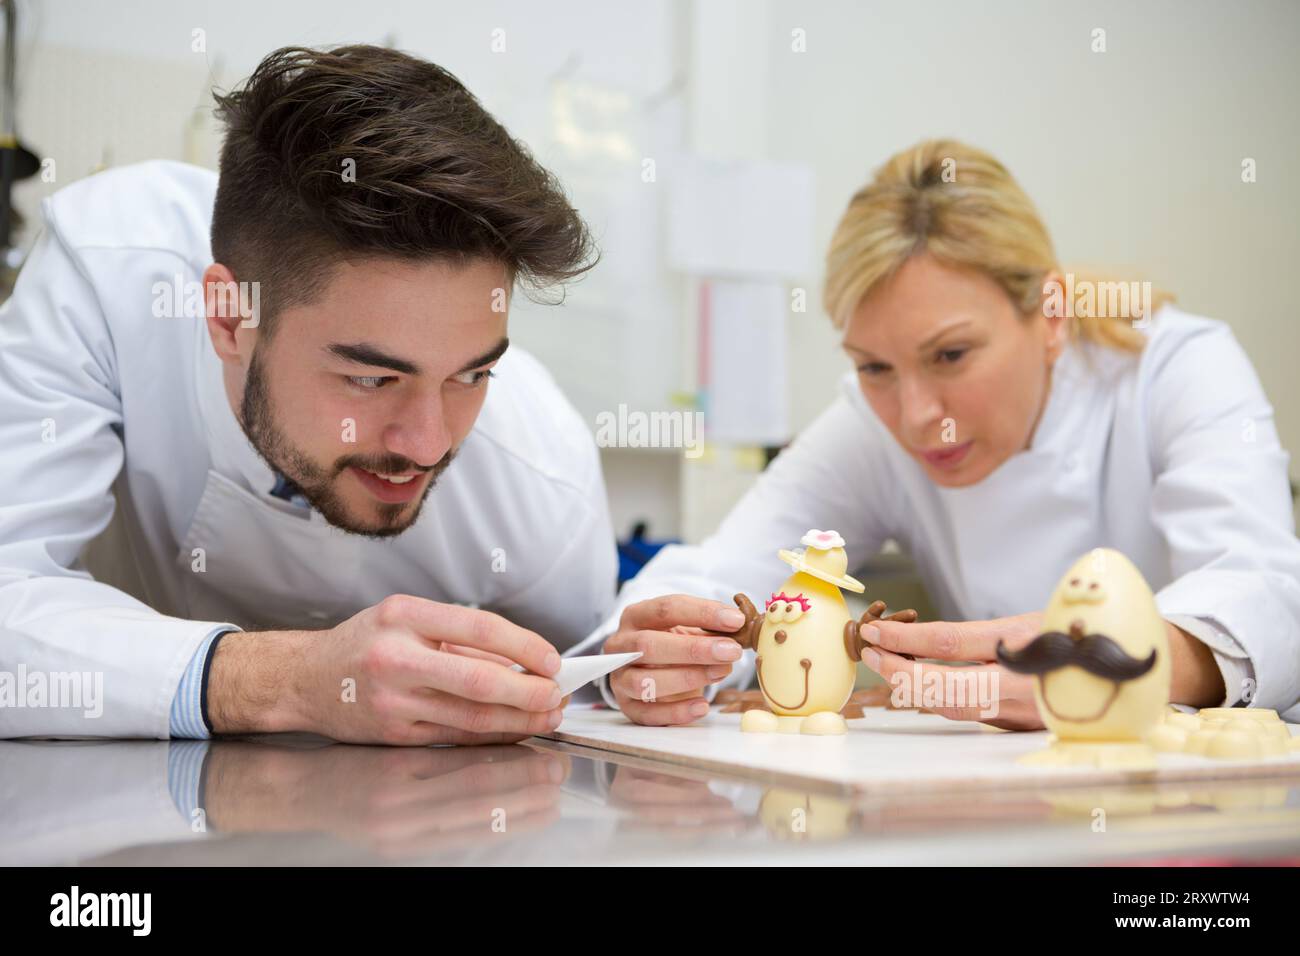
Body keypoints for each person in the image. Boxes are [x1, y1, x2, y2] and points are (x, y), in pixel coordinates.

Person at [0, 45, 617, 744]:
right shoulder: (111, 277)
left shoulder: (544, 473)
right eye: (371, 378)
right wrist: (286, 679)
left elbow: (593, 686)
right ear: (230, 318)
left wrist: (639, 671)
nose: (427, 443)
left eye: (471, 376)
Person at [596, 139, 1300, 729]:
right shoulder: (869, 425)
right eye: (875, 367)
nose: (915, 417)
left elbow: (1265, 594)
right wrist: (651, 656)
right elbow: (727, 569)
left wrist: (1114, 672)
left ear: (1050, 316)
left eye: (951, 355)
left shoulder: (1172, 368)